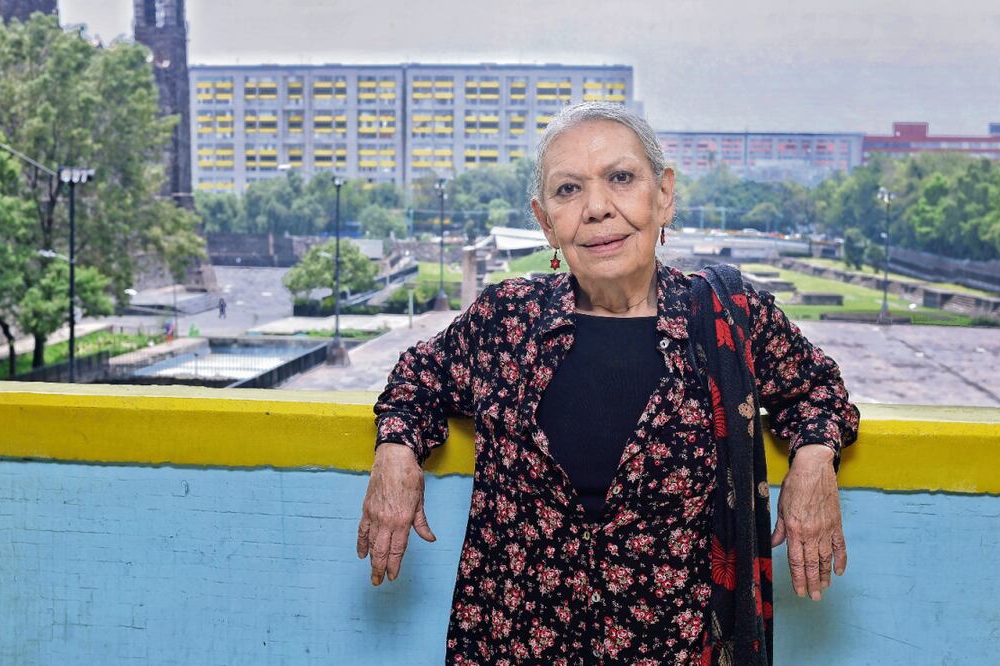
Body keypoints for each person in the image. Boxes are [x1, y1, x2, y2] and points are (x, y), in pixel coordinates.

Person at [358, 102, 859, 664]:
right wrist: (396, 454)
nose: (597, 209)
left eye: (620, 178)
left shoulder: (727, 318)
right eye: (568, 190)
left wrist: (815, 460)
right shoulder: (508, 320)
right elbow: (416, 380)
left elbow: (818, 390)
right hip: (513, 648)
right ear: (545, 220)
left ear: (663, 194)